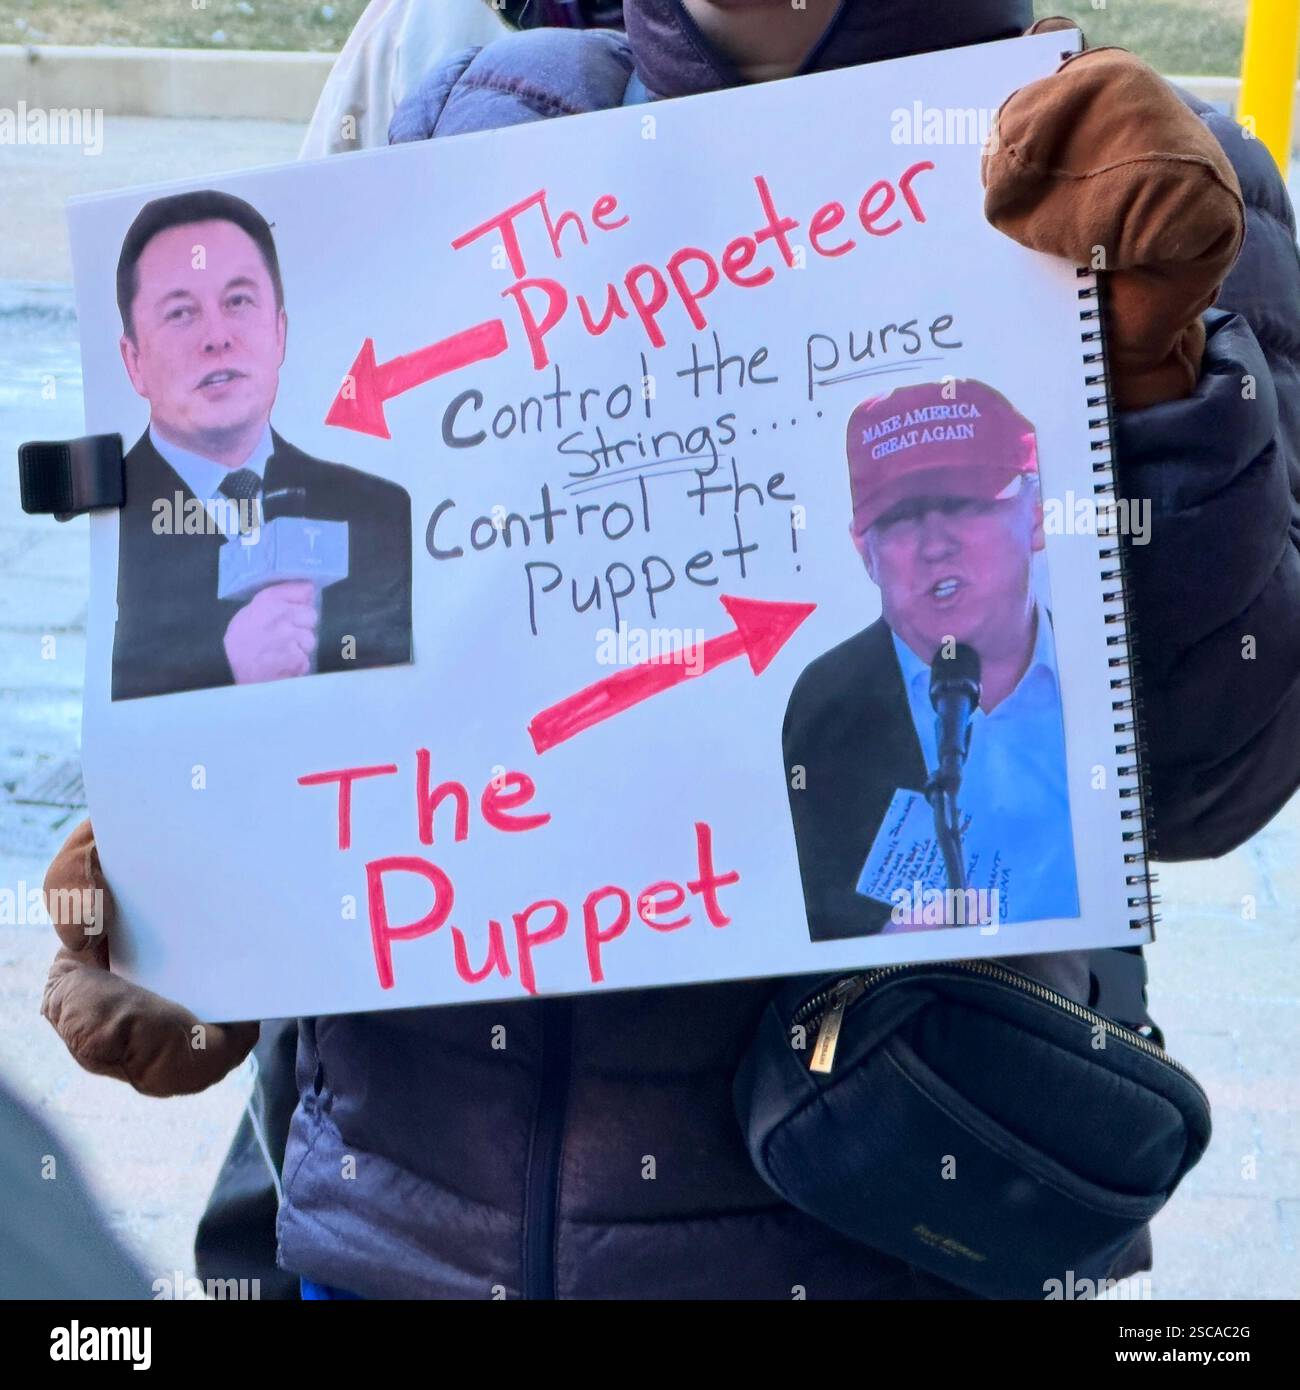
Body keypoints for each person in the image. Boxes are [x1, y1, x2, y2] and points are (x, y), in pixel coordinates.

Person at [42, 0, 1300, 1299]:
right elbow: (385, 660)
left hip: (863, 1233)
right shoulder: (480, 111)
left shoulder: (1140, 163)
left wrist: (1161, 374)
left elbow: (1217, 778)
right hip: (397, 1241)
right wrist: (208, 896)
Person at [784, 379, 1080, 942]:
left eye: (966, 502)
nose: (934, 542)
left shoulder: (1101, 672)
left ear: (1037, 515)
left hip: (1069, 1005)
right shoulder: (822, 709)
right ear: (862, 549)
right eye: (899, 517)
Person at [111, 189, 412, 701]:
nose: (217, 337)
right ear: (134, 361)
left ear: (280, 332)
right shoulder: (106, 527)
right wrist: (226, 671)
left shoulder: (379, 511)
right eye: (181, 313)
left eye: (238, 302)